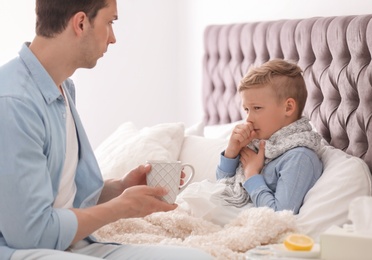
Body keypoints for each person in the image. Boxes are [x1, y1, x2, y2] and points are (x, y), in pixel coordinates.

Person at [0, 0, 213, 259]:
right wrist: (119, 208)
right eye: (110, 22)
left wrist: (120, 187)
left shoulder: (63, 88)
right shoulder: (14, 103)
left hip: (71, 243)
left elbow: (61, 193)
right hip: (20, 250)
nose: (113, 38)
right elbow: (30, 234)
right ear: (80, 23)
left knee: (196, 257)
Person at [216, 59, 324, 213]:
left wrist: (252, 175)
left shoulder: (299, 158)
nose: (249, 118)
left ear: (288, 107)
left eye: (257, 108)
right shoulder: (256, 145)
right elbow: (221, 189)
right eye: (247, 109)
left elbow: (280, 215)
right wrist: (231, 153)